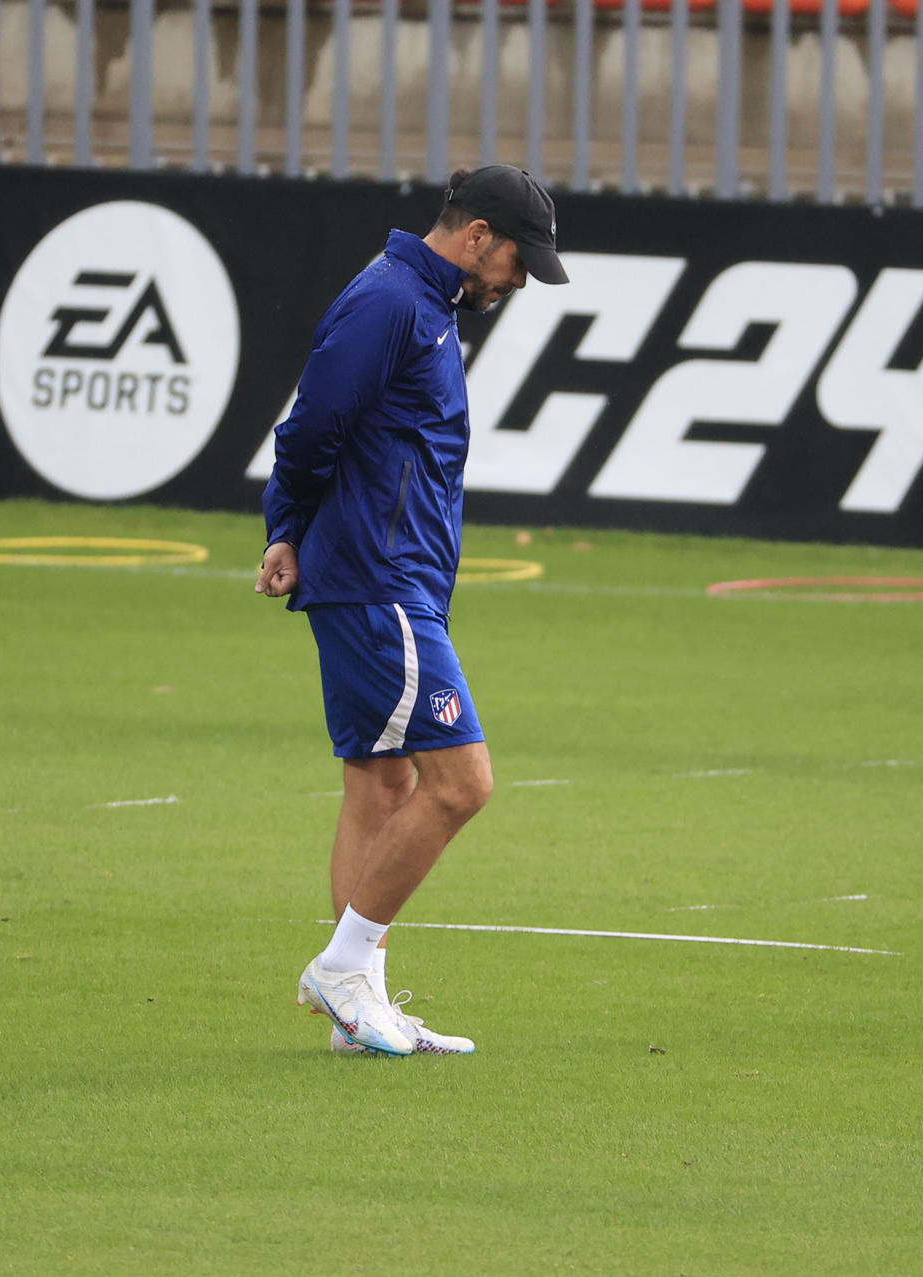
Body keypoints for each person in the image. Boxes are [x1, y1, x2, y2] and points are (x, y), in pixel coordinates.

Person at [255, 165, 569, 1057]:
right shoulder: (393, 301)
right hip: (379, 581)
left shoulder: (423, 306)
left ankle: (362, 1009)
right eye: (517, 259)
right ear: (476, 238)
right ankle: (344, 967)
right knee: (463, 782)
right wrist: (287, 527)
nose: (517, 280)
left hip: (389, 580)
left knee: (381, 785)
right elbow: (313, 424)